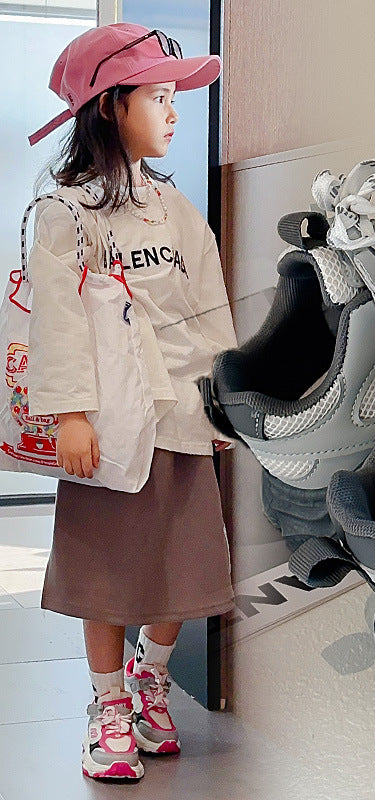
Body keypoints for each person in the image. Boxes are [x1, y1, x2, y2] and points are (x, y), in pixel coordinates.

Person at [26, 23, 237, 781]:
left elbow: (209, 307)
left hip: (182, 416)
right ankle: (109, 705)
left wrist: (223, 403)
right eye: (157, 97)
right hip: (110, 428)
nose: (174, 113)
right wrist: (70, 415)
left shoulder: (175, 208)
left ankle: (151, 680)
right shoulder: (66, 212)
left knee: (185, 563)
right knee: (107, 574)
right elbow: (56, 324)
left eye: (174, 96)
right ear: (111, 106)